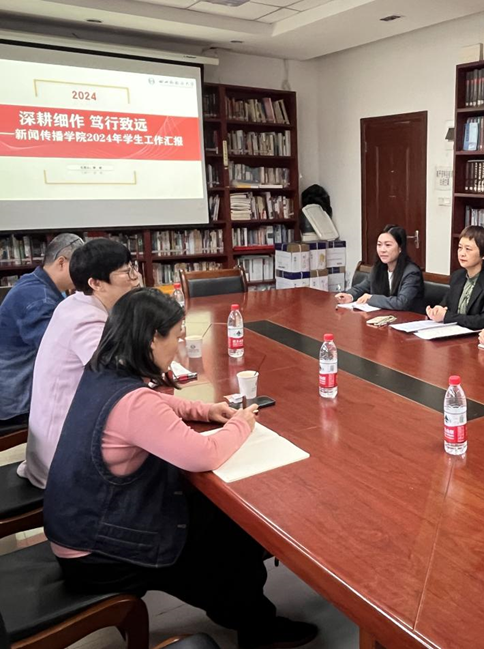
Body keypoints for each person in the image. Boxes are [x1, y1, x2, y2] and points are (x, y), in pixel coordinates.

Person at [43, 289, 318, 649]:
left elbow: (151, 404)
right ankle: (257, 628)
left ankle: (245, 612)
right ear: (152, 338)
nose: (178, 346)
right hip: (101, 554)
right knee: (230, 537)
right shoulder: (133, 403)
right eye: (175, 336)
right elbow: (202, 455)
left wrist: (205, 410)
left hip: (79, 529)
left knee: (217, 519)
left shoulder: (100, 372)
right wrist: (242, 423)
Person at [19, 239, 139, 488]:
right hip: (62, 459)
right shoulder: (86, 320)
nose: (136, 278)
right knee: (153, 459)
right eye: (127, 271)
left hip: (61, 434)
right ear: (96, 283)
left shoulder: (75, 303)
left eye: (133, 268)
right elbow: (120, 375)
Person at [0, 233, 83, 427]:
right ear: (61, 262)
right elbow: (58, 351)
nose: (83, 273)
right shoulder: (39, 299)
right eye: (79, 267)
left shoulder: (35, 283)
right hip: (16, 400)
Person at [426, 226, 484, 329]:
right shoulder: (457, 276)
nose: (462, 253)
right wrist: (437, 310)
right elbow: (446, 305)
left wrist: (447, 316)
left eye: (468, 249)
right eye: (460, 248)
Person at [335, 224, 425, 312]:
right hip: (385, 316)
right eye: (379, 245)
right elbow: (362, 288)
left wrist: (371, 298)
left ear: (400, 248)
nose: (382, 250)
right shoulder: (379, 268)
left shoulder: (412, 273)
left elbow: (401, 303)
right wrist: (349, 296)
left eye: (388, 245)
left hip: (409, 318)